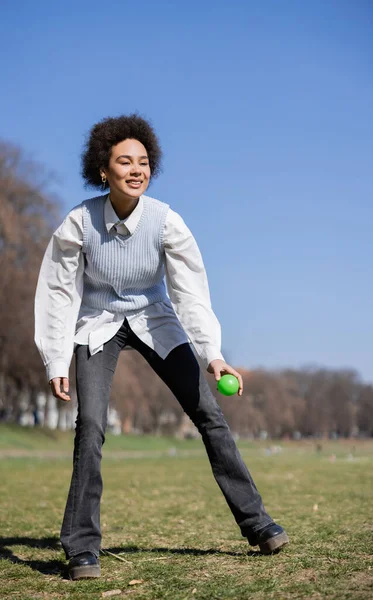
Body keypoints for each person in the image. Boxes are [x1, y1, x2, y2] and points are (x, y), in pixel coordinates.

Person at [34, 114, 289, 580]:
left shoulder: (166, 222)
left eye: (144, 162)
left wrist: (211, 352)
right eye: (124, 162)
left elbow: (189, 291)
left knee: (209, 415)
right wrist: (55, 356)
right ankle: (81, 547)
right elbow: (57, 292)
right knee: (90, 426)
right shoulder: (78, 222)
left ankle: (257, 523)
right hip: (96, 326)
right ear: (102, 171)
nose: (136, 170)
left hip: (156, 321)